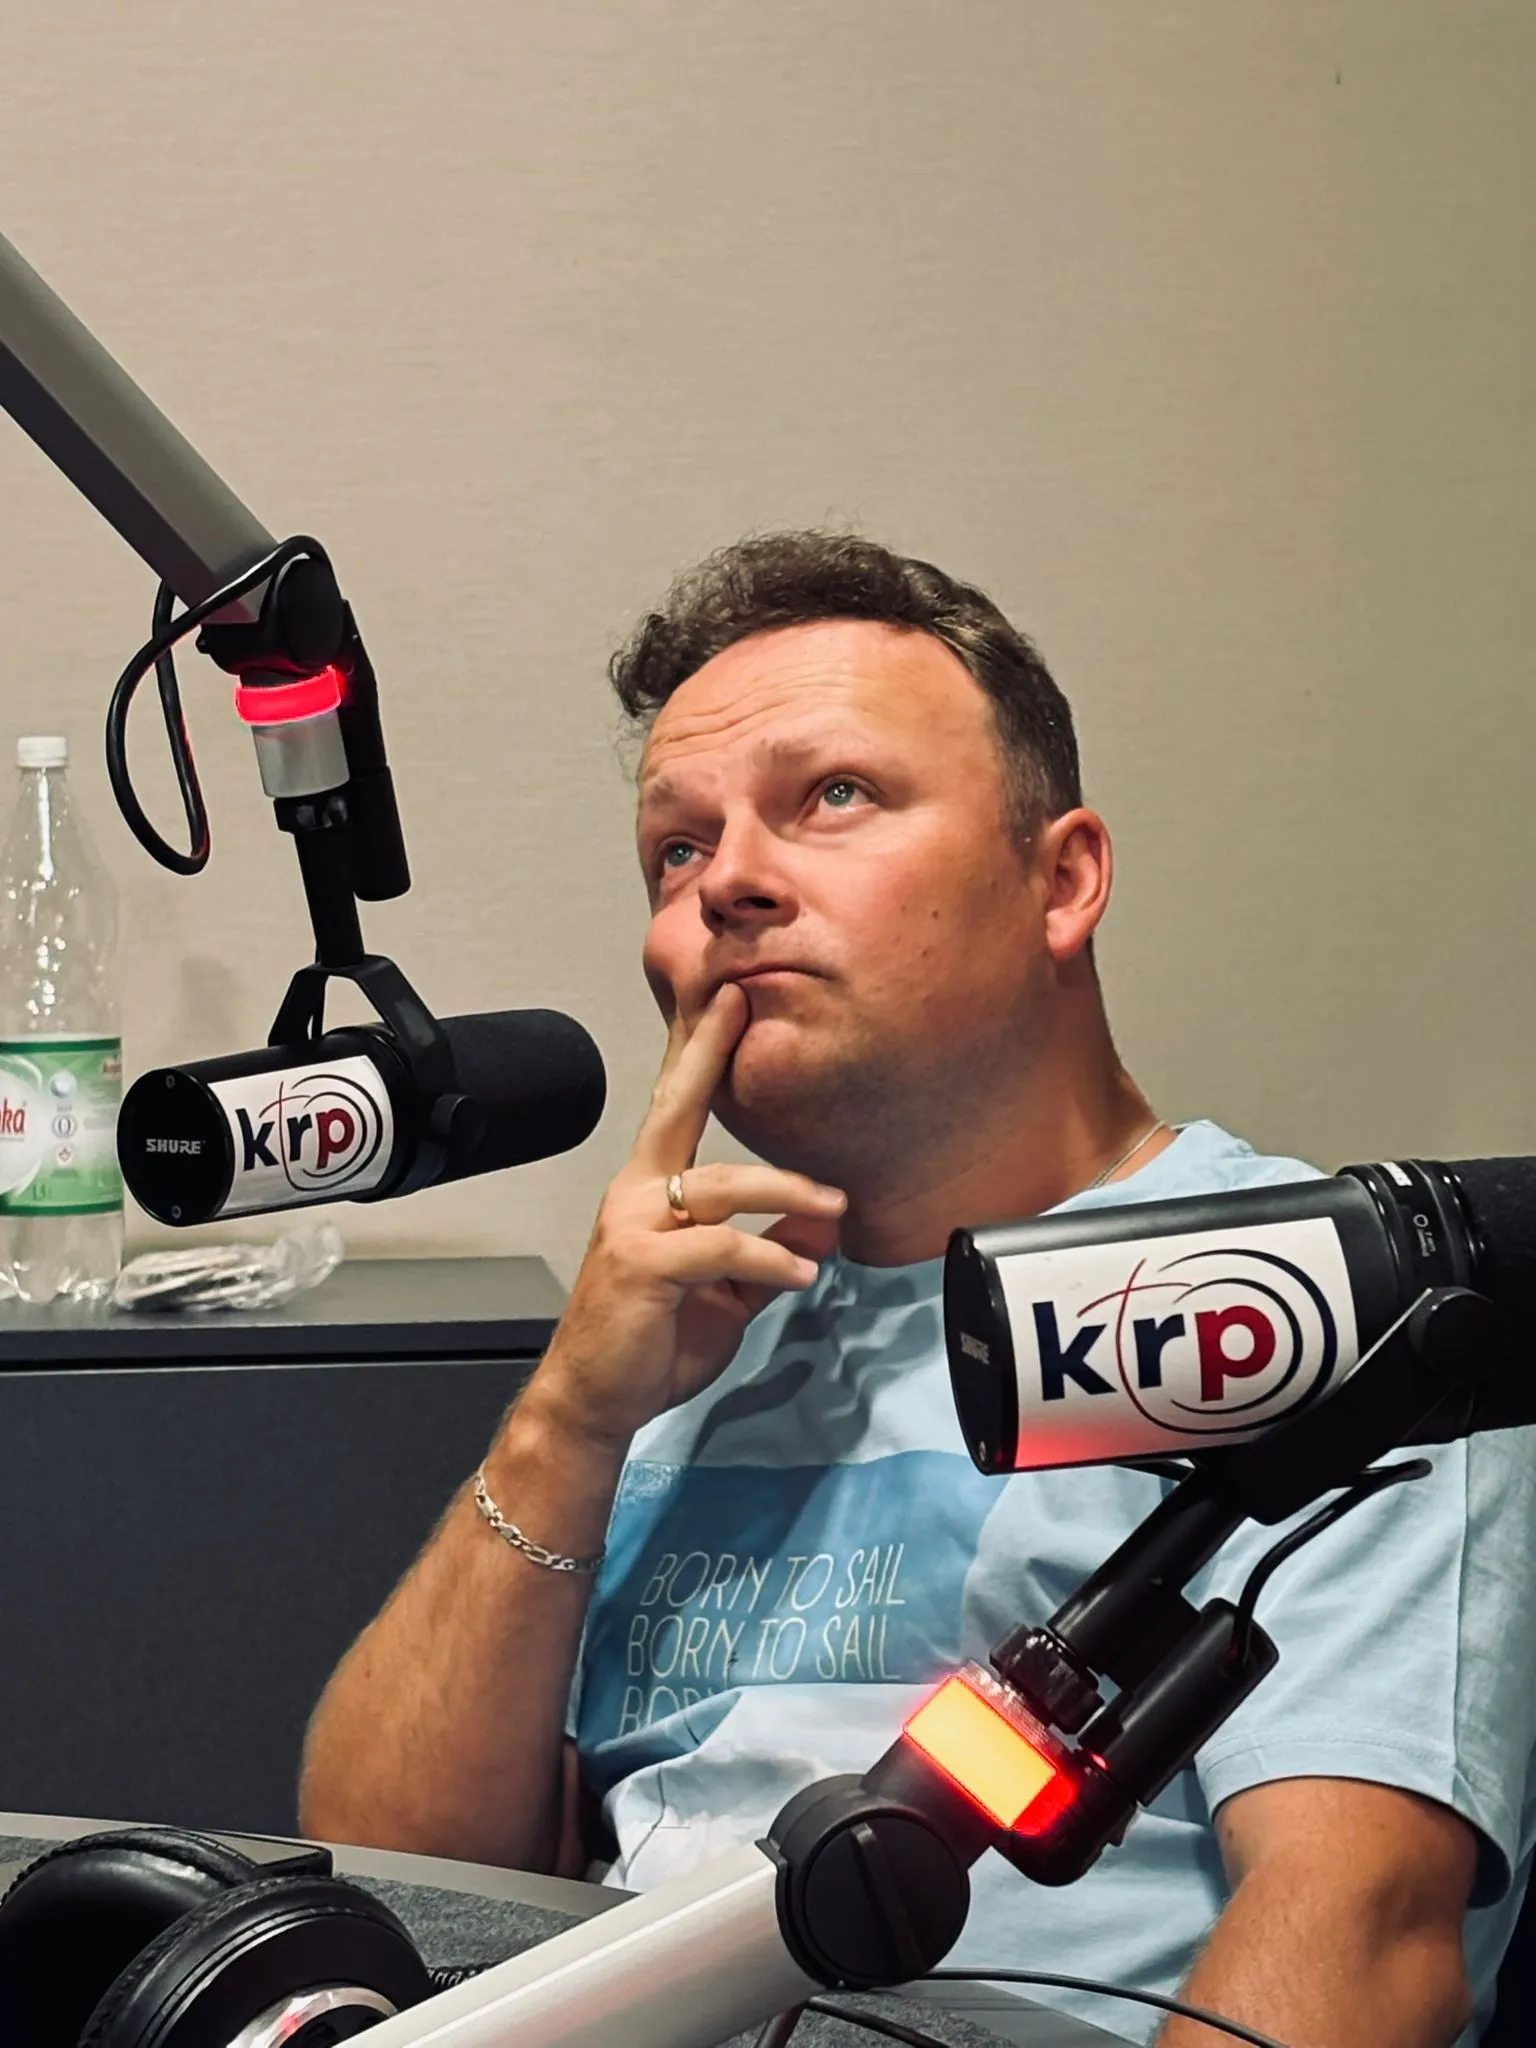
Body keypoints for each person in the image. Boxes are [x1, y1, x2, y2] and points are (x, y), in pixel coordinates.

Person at [300, 533, 1536, 2047]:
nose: (727, 882)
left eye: (833, 796)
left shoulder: (1319, 1307)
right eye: (676, 849)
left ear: (1062, 880)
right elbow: (398, 1897)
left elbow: (1362, 1952)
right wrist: (569, 1417)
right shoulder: (675, 1354)